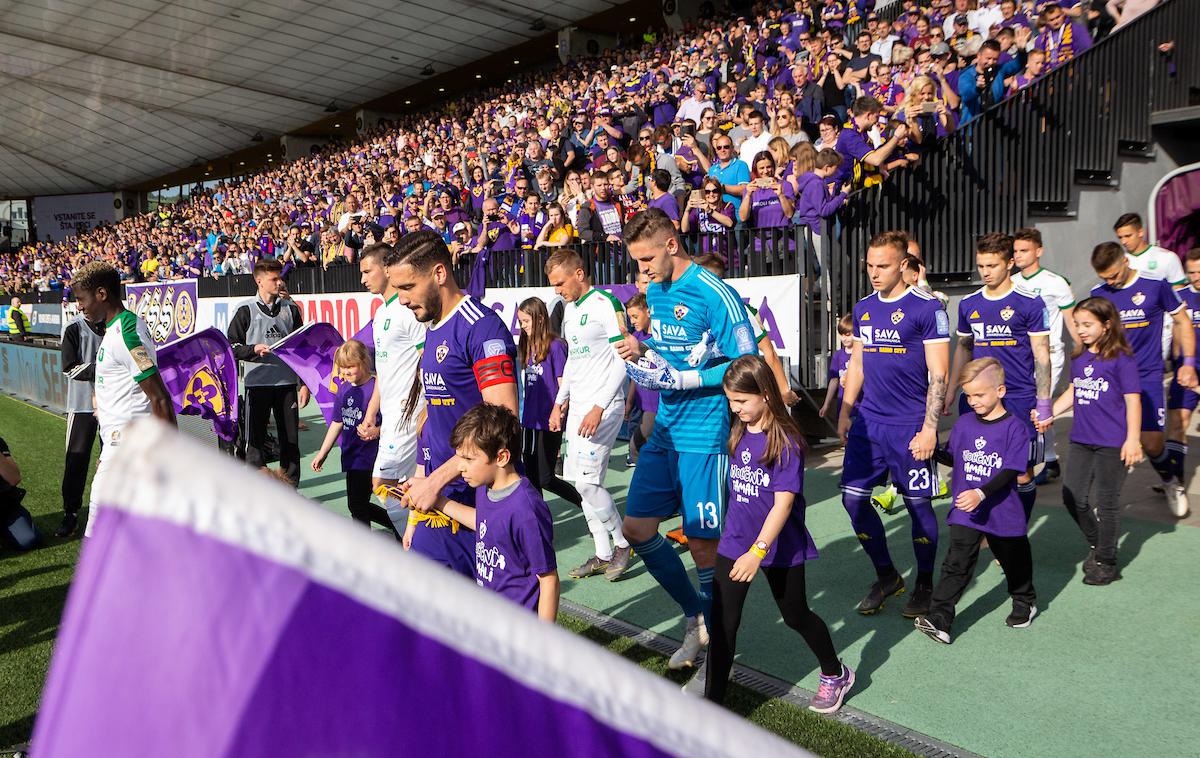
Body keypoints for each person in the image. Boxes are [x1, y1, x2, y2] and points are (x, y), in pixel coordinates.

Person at [617, 208, 760, 670]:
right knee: (636, 529)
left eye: (646, 259)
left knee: (702, 544)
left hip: (705, 431)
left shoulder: (715, 292)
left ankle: (717, 645)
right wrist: (645, 351)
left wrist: (687, 379)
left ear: (671, 244)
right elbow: (670, 354)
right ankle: (695, 613)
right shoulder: (655, 291)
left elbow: (747, 360)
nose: (641, 272)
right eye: (636, 261)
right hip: (666, 429)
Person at [702, 355, 853, 710]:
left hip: (778, 546)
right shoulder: (739, 429)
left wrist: (757, 552)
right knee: (724, 625)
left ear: (766, 395)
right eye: (730, 400)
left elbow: (782, 506)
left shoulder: (785, 440)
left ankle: (835, 672)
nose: (734, 407)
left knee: (795, 615)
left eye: (741, 401)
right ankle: (712, 709)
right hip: (735, 540)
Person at [389, 230, 519, 576]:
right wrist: (422, 487)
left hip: (478, 496)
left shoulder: (483, 328)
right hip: (441, 497)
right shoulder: (433, 327)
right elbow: (432, 417)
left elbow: (503, 421)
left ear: (439, 273)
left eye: (407, 287)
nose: (401, 299)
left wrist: (436, 482)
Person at [837, 230, 950, 618]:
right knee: (853, 500)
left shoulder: (928, 309)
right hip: (869, 424)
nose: (873, 272)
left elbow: (939, 375)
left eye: (882, 265)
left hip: (910, 427)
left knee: (917, 507)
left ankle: (924, 583)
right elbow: (857, 363)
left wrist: (930, 429)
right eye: (869, 265)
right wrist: (845, 410)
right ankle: (887, 575)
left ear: (904, 265)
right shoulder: (865, 307)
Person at [914, 358, 1039, 645]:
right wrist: (930, 450)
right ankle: (940, 618)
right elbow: (953, 458)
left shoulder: (1015, 428)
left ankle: (1024, 600)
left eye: (979, 395)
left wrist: (981, 493)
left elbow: (1011, 470)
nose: (973, 401)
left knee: (1014, 561)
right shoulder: (965, 423)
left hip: (1001, 510)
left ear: (1001, 391)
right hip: (965, 509)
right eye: (968, 395)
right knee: (956, 562)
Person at [1034, 297, 1143, 584]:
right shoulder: (1080, 357)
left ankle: (1106, 561)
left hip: (1113, 442)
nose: (1080, 330)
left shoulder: (1122, 359)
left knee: (1107, 502)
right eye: (1077, 324)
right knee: (1072, 496)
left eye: (1087, 325)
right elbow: (1075, 390)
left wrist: (1133, 440)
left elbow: (1133, 401)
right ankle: (1100, 544)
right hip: (1081, 439)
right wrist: (1051, 413)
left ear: (1107, 326)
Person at [947, 233, 1052, 523]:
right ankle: (985, 524)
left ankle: (1015, 528)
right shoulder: (969, 304)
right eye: (981, 265)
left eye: (992, 265)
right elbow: (964, 349)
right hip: (977, 398)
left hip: (1018, 397)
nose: (985, 272)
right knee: (978, 464)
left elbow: (1042, 354)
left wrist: (1044, 402)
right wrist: (951, 391)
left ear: (1010, 263)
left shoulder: (1030, 303)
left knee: (1021, 473)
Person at [544, 250, 634, 581]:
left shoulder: (606, 304)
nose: (557, 290)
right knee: (581, 485)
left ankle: (623, 543)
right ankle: (602, 552)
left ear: (579, 274)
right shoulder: (569, 310)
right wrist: (559, 402)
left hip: (604, 405)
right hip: (578, 407)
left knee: (588, 482)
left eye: (560, 283)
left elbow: (623, 359)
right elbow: (573, 362)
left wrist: (599, 406)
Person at [1089, 242, 1197, 517]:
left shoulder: (1155, 285)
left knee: (1151, 442)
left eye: (1113, 275)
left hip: (1147, 376)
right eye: (1104, 278)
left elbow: (1183, 322)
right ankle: (1108, 499)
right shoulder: (1099, 294)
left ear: (1125, 261)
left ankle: (1170, 481)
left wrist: (1187, 364)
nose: (1110, 282)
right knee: (1111, 440)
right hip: (1112, 377)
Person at [427, 403, 559, 621]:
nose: (460, 467)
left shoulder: (526, 509)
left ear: (502, 457)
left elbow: (548, 579)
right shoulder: (485, 487)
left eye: (469, 459)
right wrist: (438, 502)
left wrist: (542, 642)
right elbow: (484, 522)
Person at [73, 262, 176, 537]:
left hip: (131, 450)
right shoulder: (115, 330)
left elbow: (160, 398)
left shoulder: (127, 333)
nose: (79, 307)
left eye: (82, 299)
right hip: (119, 447)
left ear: (102, 294)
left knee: (98, 539)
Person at [354, 244, 425, 509]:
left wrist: (425, 410)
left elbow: (425, 360)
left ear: (386, 269)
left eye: (367, 271)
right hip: (391, 415)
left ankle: (414, 543)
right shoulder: (381, 313)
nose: (363, 279)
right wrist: (372, 412)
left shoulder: (409, 311)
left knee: (382, 484)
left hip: (409, 415)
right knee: (405, 487)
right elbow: (384, 371)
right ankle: (416, 540)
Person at [227, 259, 308, 486]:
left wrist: (303, 384)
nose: (279, 282)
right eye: (274, 279)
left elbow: (300, 350)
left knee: (290, 441)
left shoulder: (291, 309)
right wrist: (252, 349)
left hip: (286, 386)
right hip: (257, 385)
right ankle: (256, 490)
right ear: (259, 280)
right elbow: (230, 347)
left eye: (280, 277)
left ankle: (290, 488)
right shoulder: (245, 310)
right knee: (254, 442)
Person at [311, 339, 400, 538]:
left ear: (364, 362)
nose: (345, 372)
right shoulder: (344, 388)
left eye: (350, 366)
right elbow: (337, 422)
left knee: (379, 501)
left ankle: (382, 535)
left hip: (376, 456)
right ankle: (394, 528)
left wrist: (377, 431)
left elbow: (395, 421)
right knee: (356, 504)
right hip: (353, 457)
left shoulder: (378, 388)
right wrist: (323, 452)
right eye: (342, 368)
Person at [1012, 228, 1079, 485]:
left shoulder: (1055, 282)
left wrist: (1080, 347)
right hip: (1021, 356)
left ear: (1038, 251)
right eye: (1015, 251)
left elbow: (1071, 319)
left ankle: (1038, 461)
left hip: (1049, 353)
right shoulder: (1013, 282)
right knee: (1034, 406)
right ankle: (1049, 459)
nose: (1018, 255)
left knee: (1038, 404)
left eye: (1024, 250)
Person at [515, 297, 583, 510]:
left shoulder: (556, 346)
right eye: (521, 322)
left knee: (545, 478)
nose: (523, 326)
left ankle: (589, 507)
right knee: (531, 476)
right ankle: (539, 523)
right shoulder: (527, 345)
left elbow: (565, 385)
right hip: (529, 421)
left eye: (526, 321)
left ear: (541, 318)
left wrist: (560, 412)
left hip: (549, 420)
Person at [57, 312, 104, 538]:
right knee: (76, 460)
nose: (82, 304)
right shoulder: (74, 327)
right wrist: (104, 368)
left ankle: (112, 511)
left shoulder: (116, 323)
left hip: (113, 407)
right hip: (82, 405)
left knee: (113, 461)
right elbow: (69, 367)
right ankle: (71, 513)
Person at [1164, 248, 1200, 508]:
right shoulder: (1181, 297)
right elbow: (1174, 339)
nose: (1195, 277)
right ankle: (1174, 480)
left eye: (1199, 271)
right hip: (1186, 369)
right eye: (1191, 272)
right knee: (1178, 421)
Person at [624, 294, 658, 466]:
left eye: (635, 316)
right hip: (640, 405)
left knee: (636, 446)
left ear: (649, 311)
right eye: (630, 317)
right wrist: (629, 402)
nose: (632, 321)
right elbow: (635, 375)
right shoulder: (635, 337)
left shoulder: (661, 338)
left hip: (656, 405)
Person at [819, 313, 855, 420]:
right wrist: (826, 404)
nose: (844, 338)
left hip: (860, 407)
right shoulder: (838, 355)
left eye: (848, 334)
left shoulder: (863, 354)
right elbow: (834, 380)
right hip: (842, 404)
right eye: (842, 334)